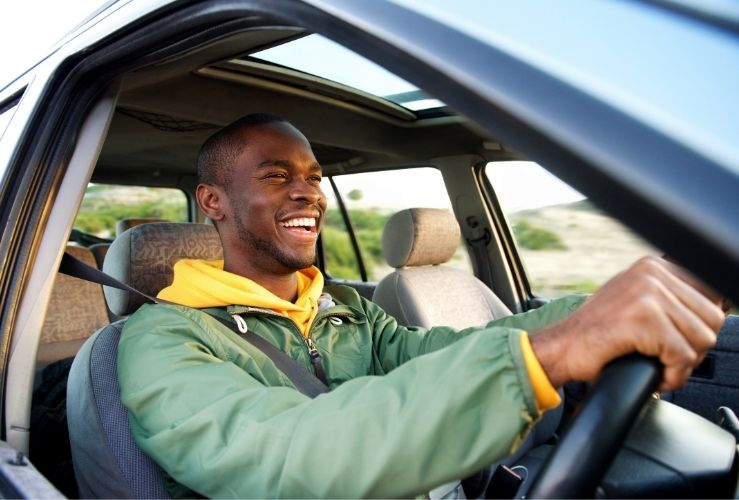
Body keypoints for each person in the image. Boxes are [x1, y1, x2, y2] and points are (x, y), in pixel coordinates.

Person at [117, 113, 726, 498]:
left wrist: (595, 311)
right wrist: (552, 352)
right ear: (213, 201)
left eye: (313, 175)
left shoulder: (343, 310)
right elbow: (285, 457)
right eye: (277, 175)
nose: (308, 190)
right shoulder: (165, 340)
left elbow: (437, 352)